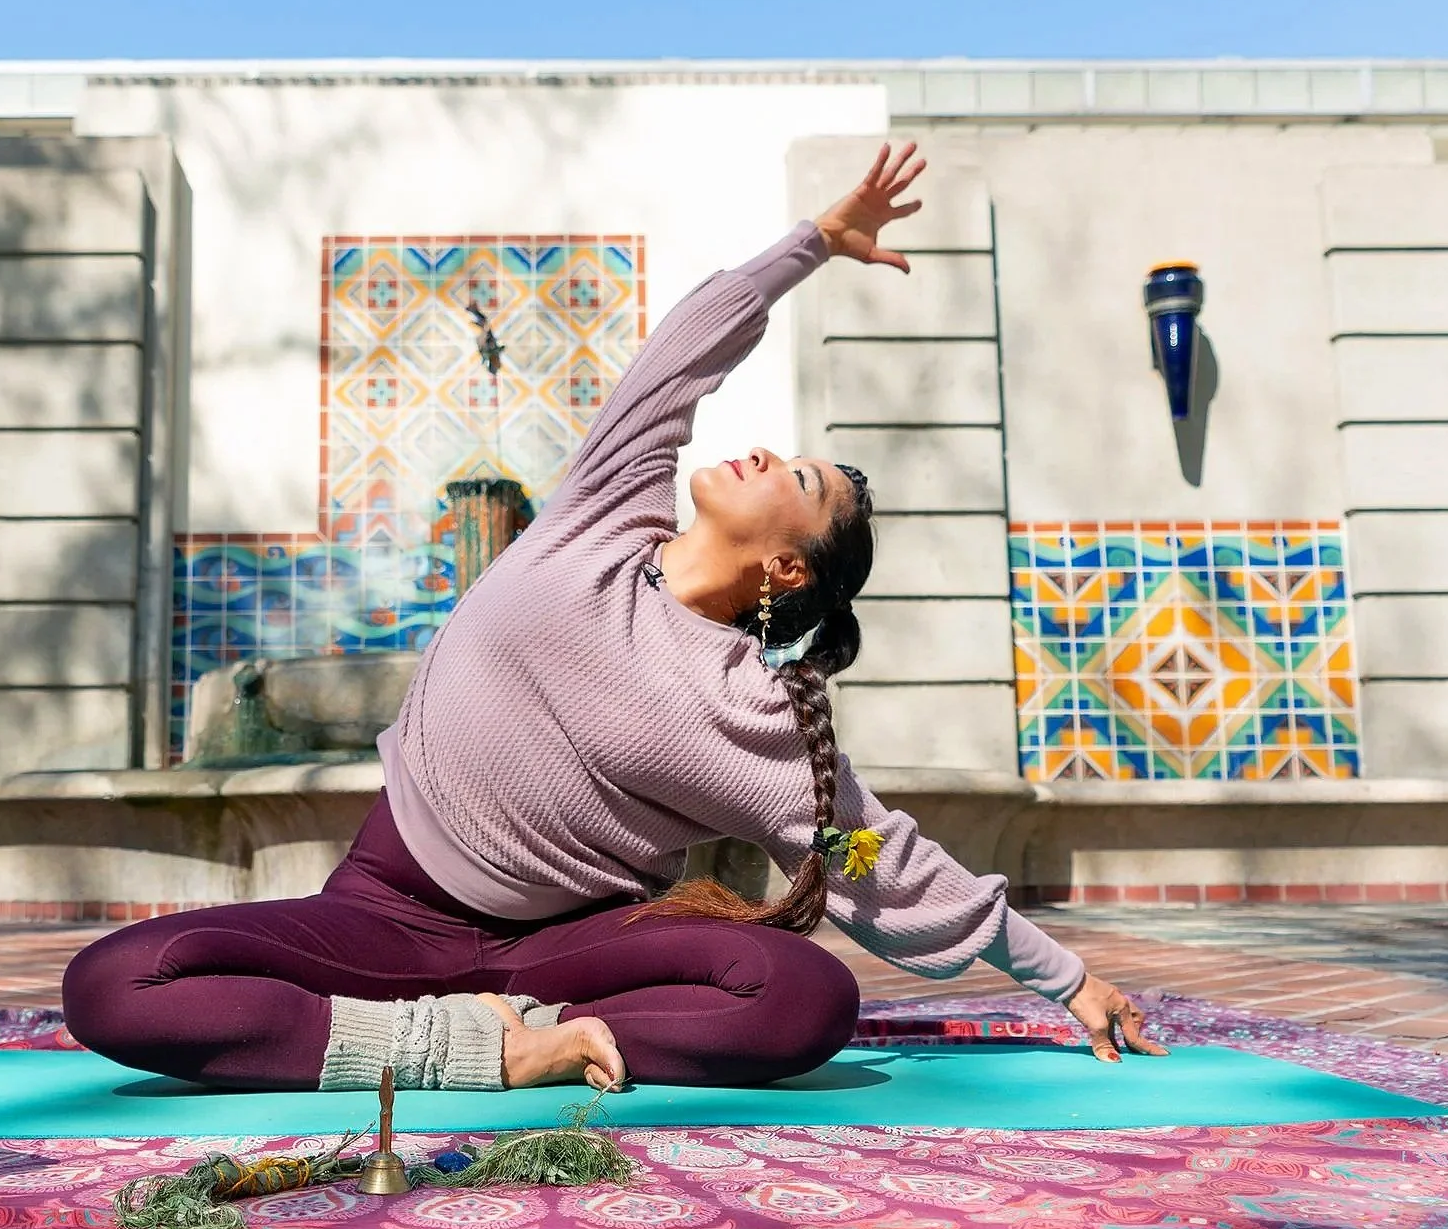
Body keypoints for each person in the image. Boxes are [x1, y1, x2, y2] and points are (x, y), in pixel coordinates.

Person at [64, 144, 1164, 1093]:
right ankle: (467, 1051)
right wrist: (812, 244)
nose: (770, 455)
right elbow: (678, 358)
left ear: (787, 563)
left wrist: (1061, 974)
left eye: (802, 479)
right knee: (116, 985)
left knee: (803, 997)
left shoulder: (754, 709)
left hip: (572, 956)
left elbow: (870, 849)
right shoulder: (602, 512)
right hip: (383, 908)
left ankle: (518, 1042)